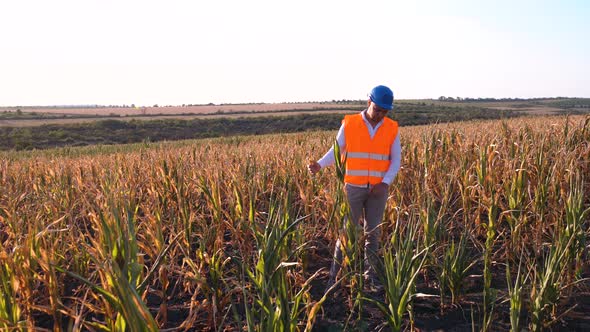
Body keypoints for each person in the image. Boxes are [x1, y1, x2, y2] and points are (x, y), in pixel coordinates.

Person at [307, 85, 401, 291]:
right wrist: (320, 165)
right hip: (354, 188)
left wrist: (384, 184)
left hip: (378, 190)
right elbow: (336, 150)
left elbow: (396, 161)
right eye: (377, 109)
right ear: (369, 103)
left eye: (385, 111)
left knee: (373, 234)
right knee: (346, 232)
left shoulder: (392, 128)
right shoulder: (350, 124)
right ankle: (335, 276)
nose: (380, 114)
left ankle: (371, 277)